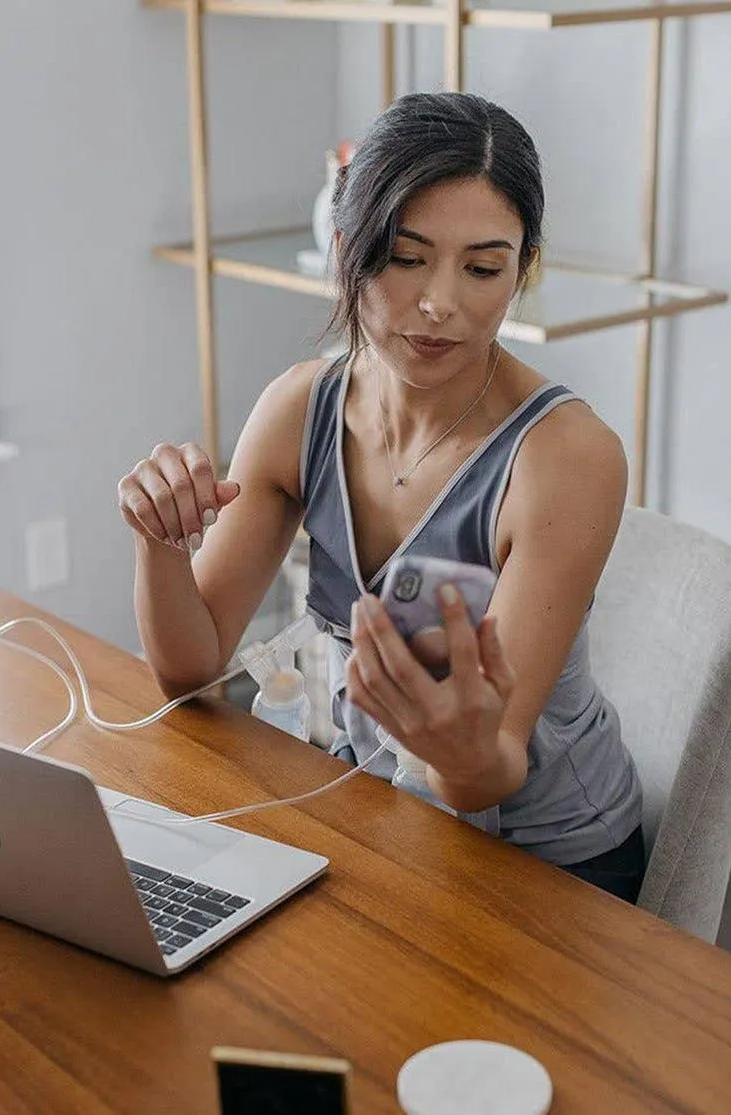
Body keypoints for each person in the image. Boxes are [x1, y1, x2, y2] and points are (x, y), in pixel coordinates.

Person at [118, 92, 645, 903]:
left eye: (483, 267)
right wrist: (160, 540)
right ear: (346, 249)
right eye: (405, 257)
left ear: (522, 269)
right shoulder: (302, 409)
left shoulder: (567, 458)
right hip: (388, 818)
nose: (441, 302)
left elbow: (487, 771)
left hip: (554, 865)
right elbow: (190, 663)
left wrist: (455, 743)